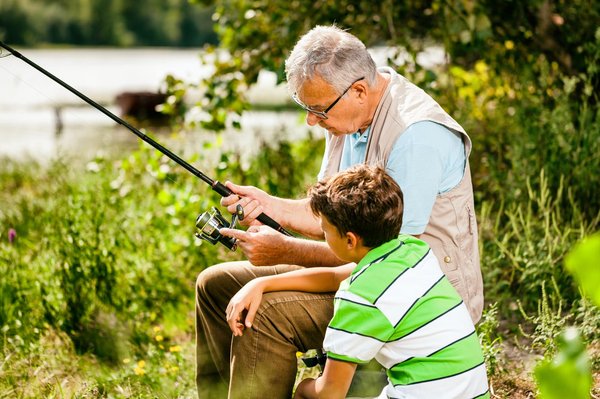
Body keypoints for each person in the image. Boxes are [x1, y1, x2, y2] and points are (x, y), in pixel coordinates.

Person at [195, 24, 484, 398]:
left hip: (413, 296)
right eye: (305, 108)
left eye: (317, 109)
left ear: (359, 90)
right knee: (215, 285)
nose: (311, 120)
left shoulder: (417, 137)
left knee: (266, 314)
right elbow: (329, 217)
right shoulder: (346, 115)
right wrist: (269, 206)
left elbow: (385, 258)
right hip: (364, 269)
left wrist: (284, 251)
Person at [226, 165, 489, 399]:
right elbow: (336, 275)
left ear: (350, 240)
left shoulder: (359, 299)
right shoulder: (411, 250)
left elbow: (330, 393)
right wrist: (261, 284)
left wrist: (305, 387)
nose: (323, 235)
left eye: (325, 229)